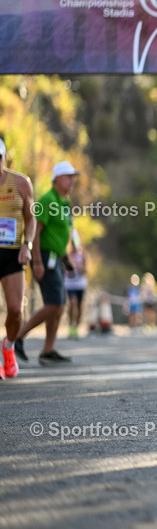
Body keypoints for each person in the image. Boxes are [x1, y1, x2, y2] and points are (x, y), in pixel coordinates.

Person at [15, 160, 78, 366]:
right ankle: (16, 338)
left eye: (73, 178)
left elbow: (60, 235)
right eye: (68, 177)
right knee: (55, 304)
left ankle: (48, 350)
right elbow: (36, 231)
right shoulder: (47, 200)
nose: (72, 181)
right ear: (57, 178)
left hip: (56, 258)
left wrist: (66, 258)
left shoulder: (64, 203)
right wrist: (38, 262)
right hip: (44, 257)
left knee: (59, 307)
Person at [0, 138, 37, 379]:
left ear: (4, 158)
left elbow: (31, 219)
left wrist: (28, 245)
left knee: (15, 310)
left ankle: (9, 346)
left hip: (13, 252)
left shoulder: (21, 183)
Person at [63, 230, 87, 339]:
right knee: (72, 302)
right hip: (69, 284)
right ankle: (71, 325)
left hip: (80, 284)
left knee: (79, 307)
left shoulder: (83, 255)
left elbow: (86, 270)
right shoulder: (67, 255)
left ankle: (76, 326)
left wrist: (80, 267)